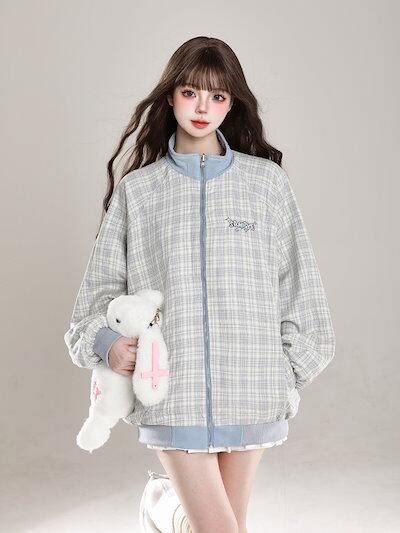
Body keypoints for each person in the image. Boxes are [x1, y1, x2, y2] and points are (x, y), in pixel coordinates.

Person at [64, 36, 336, 533]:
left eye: (218, 95)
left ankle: (165, 509)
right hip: (173, 390)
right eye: (190, 92)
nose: (203, 108)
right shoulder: (140, 191)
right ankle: (164, 507)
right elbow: (94, 300)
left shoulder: (266, 184)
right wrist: (106, 344)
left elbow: (303, 292)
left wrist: (284, 376)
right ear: (171, 96)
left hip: (253, 387)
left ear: (232, 104)